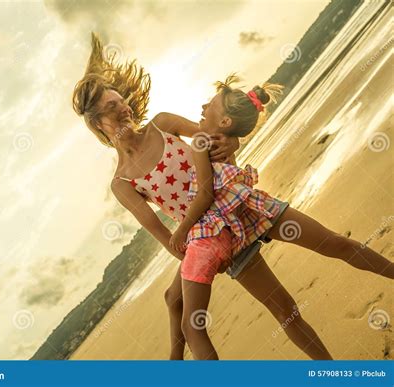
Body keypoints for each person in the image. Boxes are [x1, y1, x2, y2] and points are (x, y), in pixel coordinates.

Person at [72, 33, 393, 360]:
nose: (124, 107)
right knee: (283, 308)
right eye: (112, 107)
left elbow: (214, 136)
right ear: (98, 123)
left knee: (336, 243)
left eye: (121, 100)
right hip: (216, 234)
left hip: (243, 202)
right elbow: (166, 236)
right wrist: (201, 259)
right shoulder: (122, 182)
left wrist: (234, 144)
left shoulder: (163, 124)